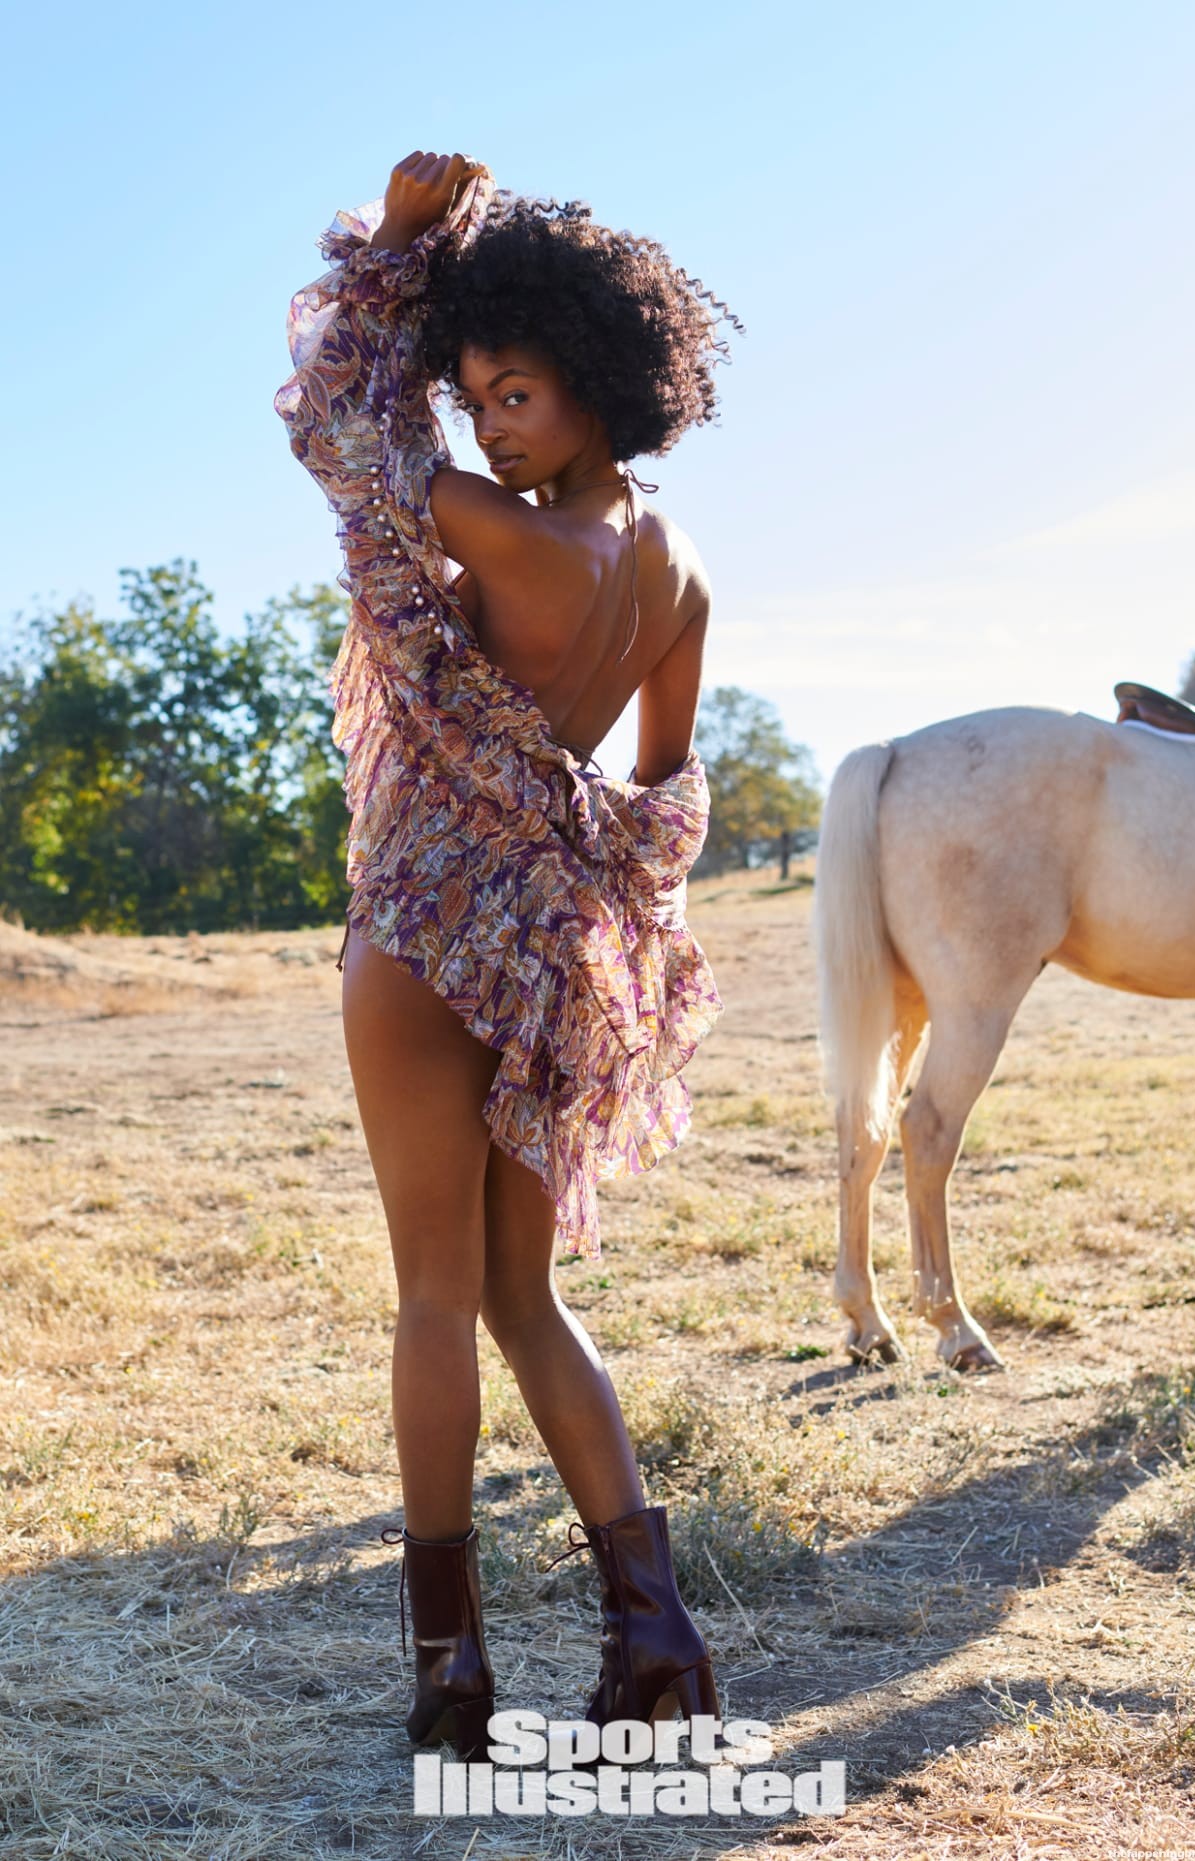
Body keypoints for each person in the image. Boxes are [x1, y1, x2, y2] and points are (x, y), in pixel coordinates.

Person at [275, 149, 736, 1761]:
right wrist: (562, 857)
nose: (489, 428)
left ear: (600, 380)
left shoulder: (494, 531)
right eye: (474, 401)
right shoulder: (678, 572)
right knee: (524, 1298)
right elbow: (660, 798)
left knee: (434, 1293)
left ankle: (451, 1672)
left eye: (518, 393)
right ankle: (655, 1633)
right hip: (544, 958)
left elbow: (339, 431)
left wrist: (389, 258)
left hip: (422, 928)